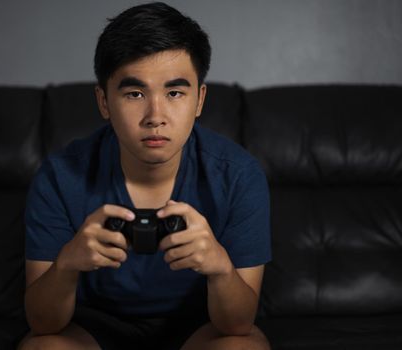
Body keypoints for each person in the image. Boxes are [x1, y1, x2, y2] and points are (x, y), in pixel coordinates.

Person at [18, 2, 272, 349]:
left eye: (174, 93)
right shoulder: (60, 176)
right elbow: (42, 324)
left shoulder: (239, 175)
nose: (155, 115)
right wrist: (66, 266)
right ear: (104, 101)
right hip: (94, 325)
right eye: (135, 93)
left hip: (198, 325)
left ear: (199, 100)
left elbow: (238, 324)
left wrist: (221, 268)